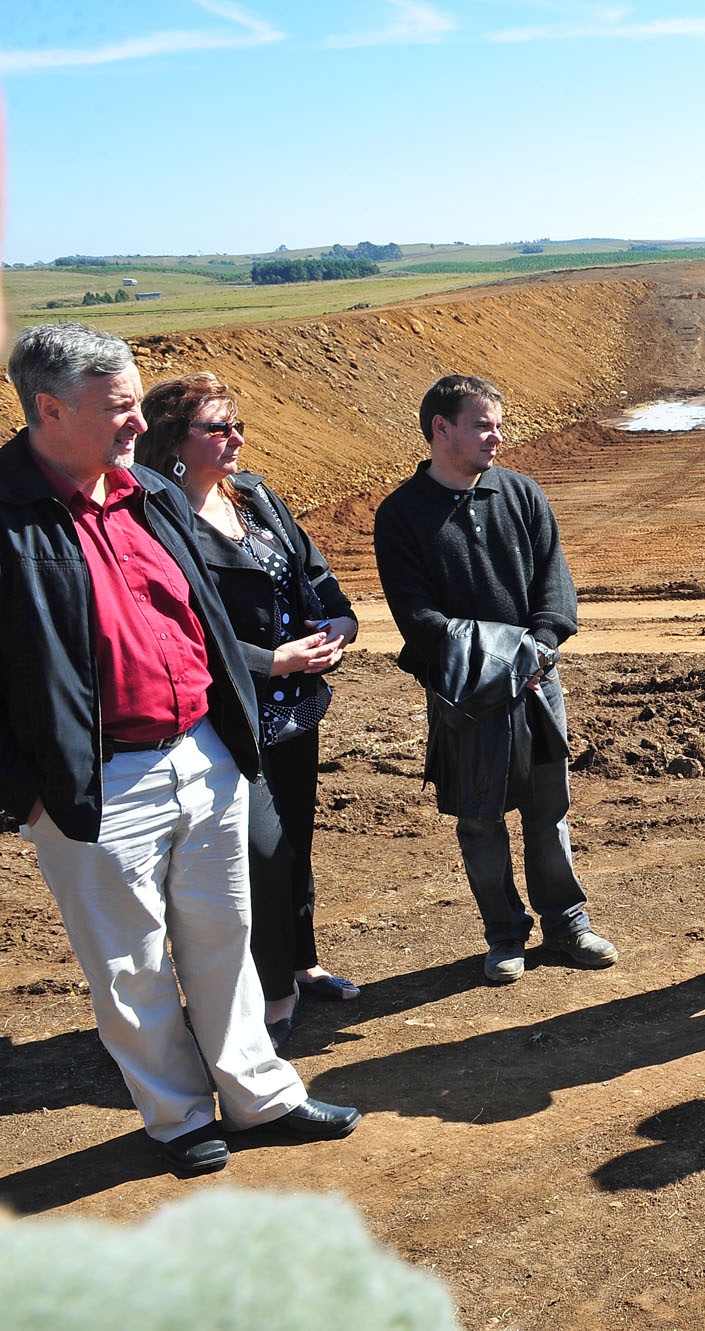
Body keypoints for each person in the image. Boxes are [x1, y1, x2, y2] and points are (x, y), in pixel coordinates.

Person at [0, 323, 359, 1173]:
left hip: (202, 755)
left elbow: (197, 618)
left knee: (224, 935)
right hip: (92, 780)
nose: (136, 424)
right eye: (119, 407)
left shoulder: (145, 493)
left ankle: (258, 1093)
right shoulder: (5, 514)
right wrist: (28, 791)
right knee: (129, 963)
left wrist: (225, 739)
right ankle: (177, 1116)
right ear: (51, 409)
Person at [136, 373, 363, 1047]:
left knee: (295, 846)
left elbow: (314, 576)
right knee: (260, 853)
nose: (235, 437)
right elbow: (183, 629)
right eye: (218, 427)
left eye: (237, 424)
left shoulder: (257, 497)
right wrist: (273, 661)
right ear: (174, 442)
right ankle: (272, 991)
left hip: (297, 710)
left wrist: (339, 627)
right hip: (227, 715)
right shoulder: (158, 520)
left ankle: (303, 960)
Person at [374, 374, 616, 984]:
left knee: (548, 808)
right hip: (468, 696)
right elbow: (418, 619)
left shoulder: (522, 494)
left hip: (537, 684)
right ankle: (504, 934)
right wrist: (504, 658)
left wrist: (540, 647)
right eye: (483, 424)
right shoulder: (401, 515)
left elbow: (555, 587)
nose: (496, 436)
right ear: (441, 429)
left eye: (498, 424)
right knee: (480, 817)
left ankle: (567, 925)